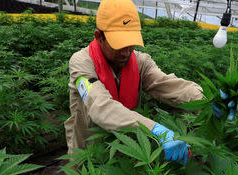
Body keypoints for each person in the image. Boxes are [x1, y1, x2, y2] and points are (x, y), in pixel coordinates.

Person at [64, 0, 204, 166]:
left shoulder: (140, 61)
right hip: (89, 154)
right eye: (119, 44)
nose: (126, 52)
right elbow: (100, 106)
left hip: (126, 151)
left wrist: (207, 101)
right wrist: (155, 130)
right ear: (99, 37)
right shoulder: (81, 63)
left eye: (130, 44)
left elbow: (170, 85)